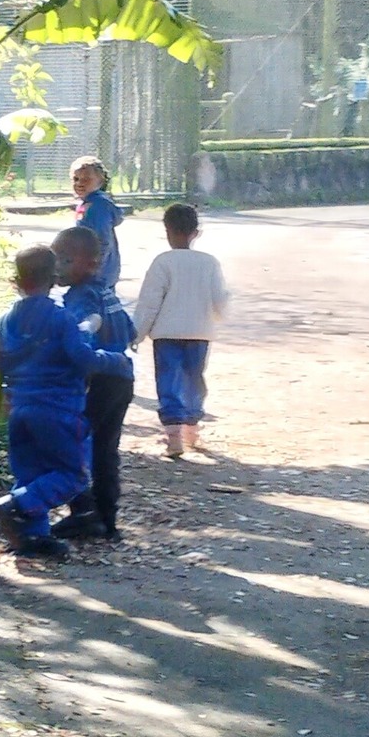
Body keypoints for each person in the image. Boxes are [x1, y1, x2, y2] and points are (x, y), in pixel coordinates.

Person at [0, 244, 131, 559]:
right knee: (74, 475)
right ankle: (18, 505)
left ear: (16, 280)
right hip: (58, 410)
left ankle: (33, 538)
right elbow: (82, 357)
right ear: (53, 278)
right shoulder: (60, 319)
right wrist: (114, 359)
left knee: (29, 473)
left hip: (19, 410)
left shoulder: (1, 322)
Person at [53, 225, 135, 541]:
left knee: (69, 444)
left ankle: (83, 511)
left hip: (98, 381)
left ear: (91, 264)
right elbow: (129, 331)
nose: (58, 266)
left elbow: (79, 332)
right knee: (105, 450)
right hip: (122, 381)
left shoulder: (82, 295)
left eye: (66, 260)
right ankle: (107, 519)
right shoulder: (107, 292)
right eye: (55, 258)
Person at [133, 202, 228, 458]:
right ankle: (192, 430)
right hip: (199, 332)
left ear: (167, 230)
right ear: (195, 232)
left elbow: (150, 302)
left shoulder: (163, 262)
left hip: (167, 334)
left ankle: (173, 435)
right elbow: (220, 299)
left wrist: (137, 333)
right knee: (194, 378)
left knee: (168, 379)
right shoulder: (209, 263)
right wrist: (217, 319)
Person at [71, 156, 126, 289]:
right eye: (76, 179)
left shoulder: (98, 206)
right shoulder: (88, 203)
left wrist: (92, 268)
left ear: (100, 181)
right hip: (96, 271)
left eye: (86, 179)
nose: (79, 183)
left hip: (98, 274)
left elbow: (102, 240)